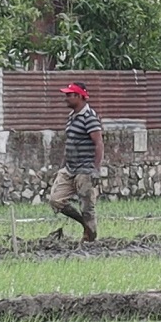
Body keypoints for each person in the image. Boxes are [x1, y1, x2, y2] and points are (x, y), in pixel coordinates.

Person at [48, 82, 103, 241]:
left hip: (85, 169)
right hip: (69, 168)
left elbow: (99, 143)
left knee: (87, 208)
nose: (66, 98)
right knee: (55, 200)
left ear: (79, 96)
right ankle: (84, 224)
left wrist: (95, 169)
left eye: (69, 95)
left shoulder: (89, 118)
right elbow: (70, 142)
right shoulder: (72, 117)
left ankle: (90, 240)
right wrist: (63, 165)